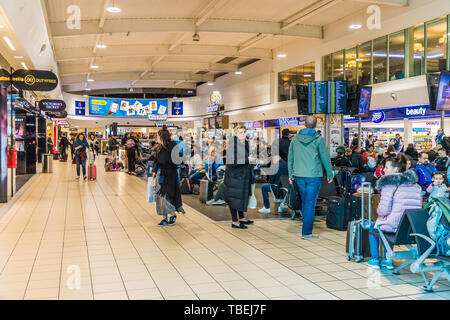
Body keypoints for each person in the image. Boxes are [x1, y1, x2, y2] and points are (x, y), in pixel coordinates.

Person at [367, 154, 422, 269]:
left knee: (375, 226)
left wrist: (379, 213)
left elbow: (383, 210)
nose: (384, 170)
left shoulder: (389, 185)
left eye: (387, 167)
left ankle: (375, 259)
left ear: (396, 169)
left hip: (394, 226)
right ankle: (388, 260)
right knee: (383, 224)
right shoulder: (416, 186)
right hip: (412, 228)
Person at [288, 115, 333, 240]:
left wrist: (291, 174)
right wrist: (330, 174)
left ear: (304, 124)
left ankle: (306, 230)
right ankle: (307, 233)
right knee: (309, 203)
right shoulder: (318, 139)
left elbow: (290, 157)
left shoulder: (295, 139)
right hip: (314, 176)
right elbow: (325, 158)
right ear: (315, 125)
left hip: (299, 175)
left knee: (305, 202)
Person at [222, 125, 254, 229]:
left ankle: (241, 218)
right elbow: (233, 162)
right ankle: (234, 221)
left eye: (244, 132)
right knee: (234, 199)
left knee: (240, 197)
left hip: (242, 176)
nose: (243, 134)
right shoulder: (232, 145)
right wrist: (247, 159)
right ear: (236, 134)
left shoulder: (245, 144)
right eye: (240, 132)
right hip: (234, 177)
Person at [152, 127, 185, 226]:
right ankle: (165, 218)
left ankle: (172, 214)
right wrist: (154, 171)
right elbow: (156, 161)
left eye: (157, 136)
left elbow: (179, 159)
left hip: (171, 175)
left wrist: (181, 165)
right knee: (161, 197)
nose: (156, 138)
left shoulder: (172, 146)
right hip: (161, 175)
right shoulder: (159, 148)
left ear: (162, 137)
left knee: (167, 196)